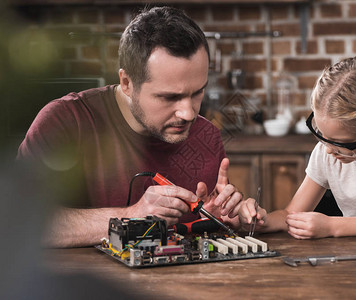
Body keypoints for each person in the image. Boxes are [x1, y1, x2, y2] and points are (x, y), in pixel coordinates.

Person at [17, 6, 244, 248]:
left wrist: (213, 220)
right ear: (127, 82)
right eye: (169, 97)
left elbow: (193, 239)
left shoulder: (205, 135)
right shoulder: (66, 121)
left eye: (198, 92)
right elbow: (17, 222)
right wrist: (133, 216)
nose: (188, 113)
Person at [240, 56, 356, 239]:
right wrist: (260, 221)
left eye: (341, 142)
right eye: (322, 135)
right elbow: (290, 214)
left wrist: (331, 226)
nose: (328, 149)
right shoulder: (326, 152)